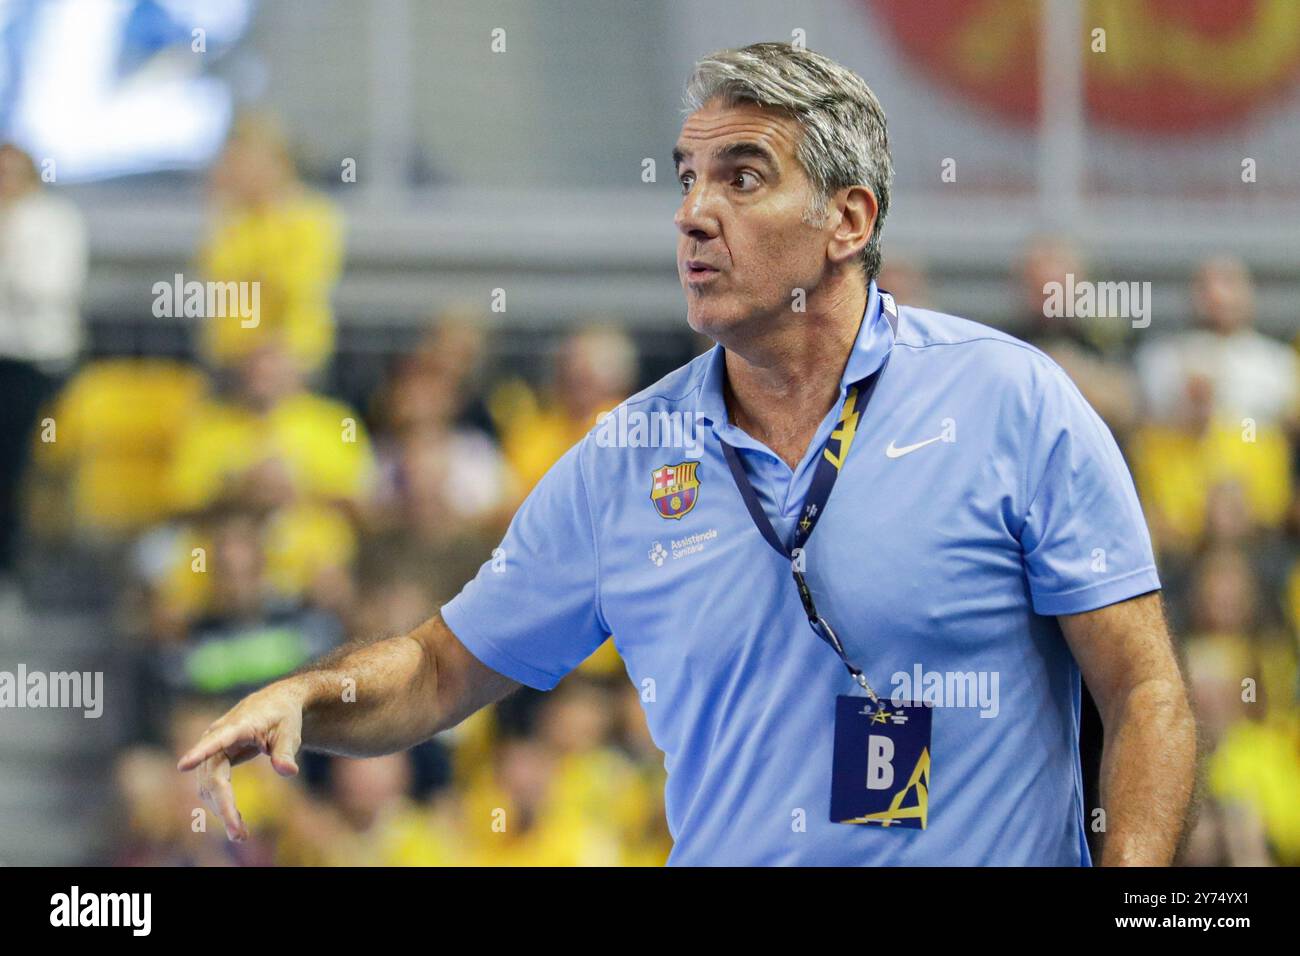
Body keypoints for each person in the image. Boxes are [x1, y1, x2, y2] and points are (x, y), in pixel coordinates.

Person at [180, 42, 1195, 866]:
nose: (691, 212)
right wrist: (309, 693)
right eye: (687, 178)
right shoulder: (625, 454)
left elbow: (1143, 689)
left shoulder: (1009, 401)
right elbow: (440, 670)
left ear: (848, 219)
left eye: (741, 177)